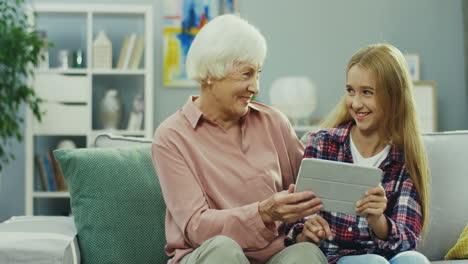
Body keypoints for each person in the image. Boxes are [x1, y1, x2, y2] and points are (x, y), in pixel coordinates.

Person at [152, 14, 327, 264]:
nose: (255, 87)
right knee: (223, 249)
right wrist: (263, 212)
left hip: (274, 254)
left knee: (306, 254)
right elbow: (197, 228)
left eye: (258, 74)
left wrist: (307, 225)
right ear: (211, 73)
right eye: (246, 74)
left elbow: (308, 193)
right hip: (209, 254)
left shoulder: (274, 123)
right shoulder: (171, 138)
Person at [284, 44, 430, 264]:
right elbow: (294, 223)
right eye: (351, 91)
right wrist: (307, 232)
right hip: (337, 257)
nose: (356, 103)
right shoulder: (323, 144)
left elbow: (408, 240)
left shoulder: (405, 159)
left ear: (393, 97)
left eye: (367, 92)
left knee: (414, 260)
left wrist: (378, 220)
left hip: (387, 256)